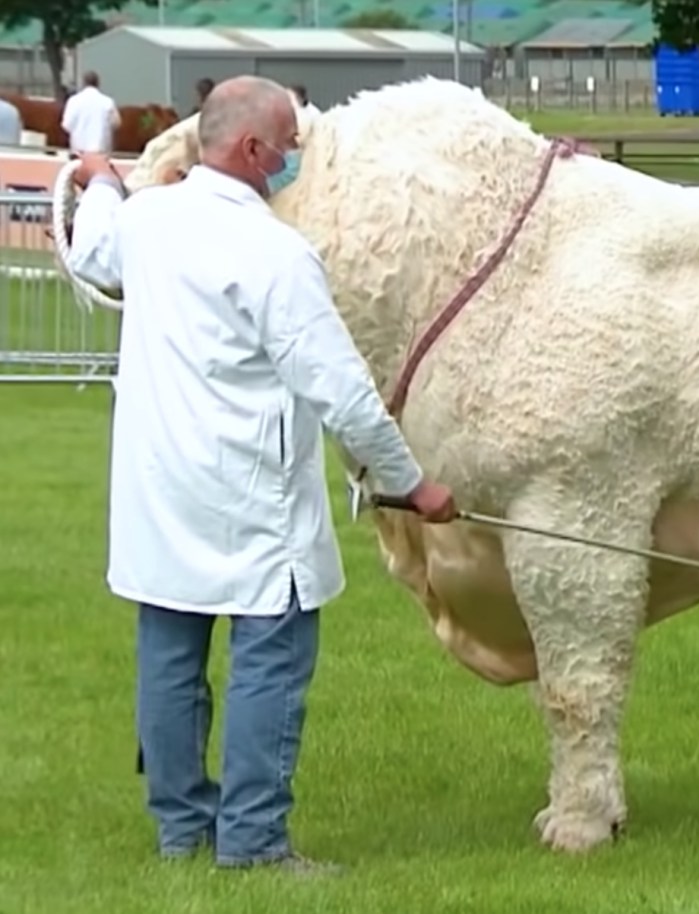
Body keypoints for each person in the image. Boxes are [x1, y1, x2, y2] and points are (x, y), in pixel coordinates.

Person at [64, 74, 456, 874]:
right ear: (251, 151)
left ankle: (182, 833)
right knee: (269, 658)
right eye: (289, 148)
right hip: (250, 493)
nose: (295, 162)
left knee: (170, 659)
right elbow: (341, 390)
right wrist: (412, 484)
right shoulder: (275, 254)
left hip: (159, 487)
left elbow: (93, 245)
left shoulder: (147, 219)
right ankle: (254, 840)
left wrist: (102, 181)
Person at [61, 70, 121, 156]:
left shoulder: (73, 101)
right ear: (98, 84)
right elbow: (116, 123)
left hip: (79, 151)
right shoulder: (108, 102)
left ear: (83, 83)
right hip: (101, 151)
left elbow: (66, 125)